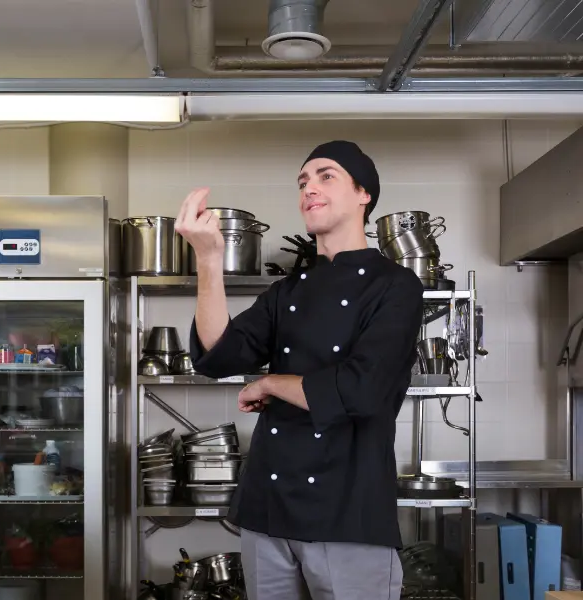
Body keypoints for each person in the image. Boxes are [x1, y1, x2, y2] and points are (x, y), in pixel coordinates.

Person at [173, 140, 424, 600]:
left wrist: (270, 382)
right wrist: (208, 260)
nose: (309, 188)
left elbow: (361, 390)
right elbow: (219, 355)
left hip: (347, 515)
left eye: (326, 176)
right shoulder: (288, 291)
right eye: (303, 181)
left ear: (363, 192)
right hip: (267, 511)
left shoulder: (396, 286)